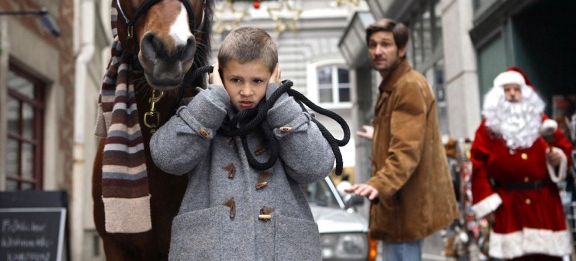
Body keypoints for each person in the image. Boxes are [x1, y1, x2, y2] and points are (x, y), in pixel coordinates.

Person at [150, 26, 335, 261]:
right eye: (235, 80)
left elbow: (317, 167)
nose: (246, 91)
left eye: (257, 81)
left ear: (274, 75)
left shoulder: (286, 113)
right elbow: (165, 157)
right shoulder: (202, 111)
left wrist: (280, 105)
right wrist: (212, 101)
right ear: (218, 74)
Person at [345, 18, 459, 260]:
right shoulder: (395, 85)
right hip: (399, 209)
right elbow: (411, 135)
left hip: (404, 211)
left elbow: (407, 151)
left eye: (385, 44)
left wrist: (378, 183)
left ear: (402, 49)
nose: (377, 51)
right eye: (373, 45)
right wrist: (381, 136)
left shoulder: (407, 86)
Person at [470, 67, 574, 260]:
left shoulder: (541, 121)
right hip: (509, 207)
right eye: (506, 90)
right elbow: (478, 167)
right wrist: (489, 206)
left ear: (525, 93)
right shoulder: (487, 130)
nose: (512, 94)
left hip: (544, 204)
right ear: (497, 96)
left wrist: (558, 158)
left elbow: (565, 149)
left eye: (516, 89)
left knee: (548, 257)